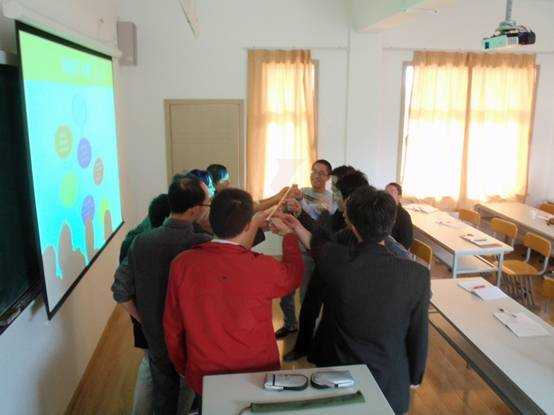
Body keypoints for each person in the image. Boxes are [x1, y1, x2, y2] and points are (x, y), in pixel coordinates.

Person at [286, 188, 430, 415]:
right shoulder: (417, 275)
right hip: (390, 383)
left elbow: (316, 244)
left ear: (352, 225)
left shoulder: (335, 260)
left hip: (338, 376)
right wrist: (415, 375)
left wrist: (294, 226)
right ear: (392, 222)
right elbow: (418, 332)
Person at [164, 188, 304, 404]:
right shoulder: (263, 266)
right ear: (248, 225)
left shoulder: (182, 264)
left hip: (204, 372)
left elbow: (172, 325)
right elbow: (293, 276)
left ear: (210, 221)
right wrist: (289, 237)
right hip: (257, 371)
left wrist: (185, 366)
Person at [284, 170, 411, 362]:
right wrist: (298, 222)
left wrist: (296, 228)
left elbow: (324, 245)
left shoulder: (378, 240)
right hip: (329, 271)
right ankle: (306, 346)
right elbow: (322, 242)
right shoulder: (339, 217)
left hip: (348, 302)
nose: (334, 195)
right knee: (313, 307)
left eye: (336, 191)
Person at [111, 177, 212, 415]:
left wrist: (144, 320)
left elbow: (120, 290)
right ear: (194, 209)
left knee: (162, 394)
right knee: (189, 387)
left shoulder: (141, 242)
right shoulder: (202, 244)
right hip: (192, 336)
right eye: (207, 204)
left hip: (155, 335)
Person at [118, 193, 171, 415]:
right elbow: (122, 290)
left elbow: (122, 291)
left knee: (150, 366)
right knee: (152, 369)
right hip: (152, 321)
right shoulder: (145, 246)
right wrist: (145, 321)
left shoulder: (134, 240)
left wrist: (142, 320)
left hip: (145, 320)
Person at [275, 159, 336, 339]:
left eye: (321, 173)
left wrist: (301, 203)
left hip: (311, 253)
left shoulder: (332, 200)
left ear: (328, 177)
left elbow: (317, 225)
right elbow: (288, 213)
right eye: (314, 171)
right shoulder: (301, 191)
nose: (316, 176)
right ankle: (290, 324)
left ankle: (308, 334)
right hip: (294, 247)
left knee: (306, 296)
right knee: (286, 291)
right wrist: (285, 203)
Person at [385, 182, 414, 250]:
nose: (388, 194)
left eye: (392, 192)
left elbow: (406, 243)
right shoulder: (382, 210)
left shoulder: (404, 216)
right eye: (386, 192)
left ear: (399, 197)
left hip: (394, 251)